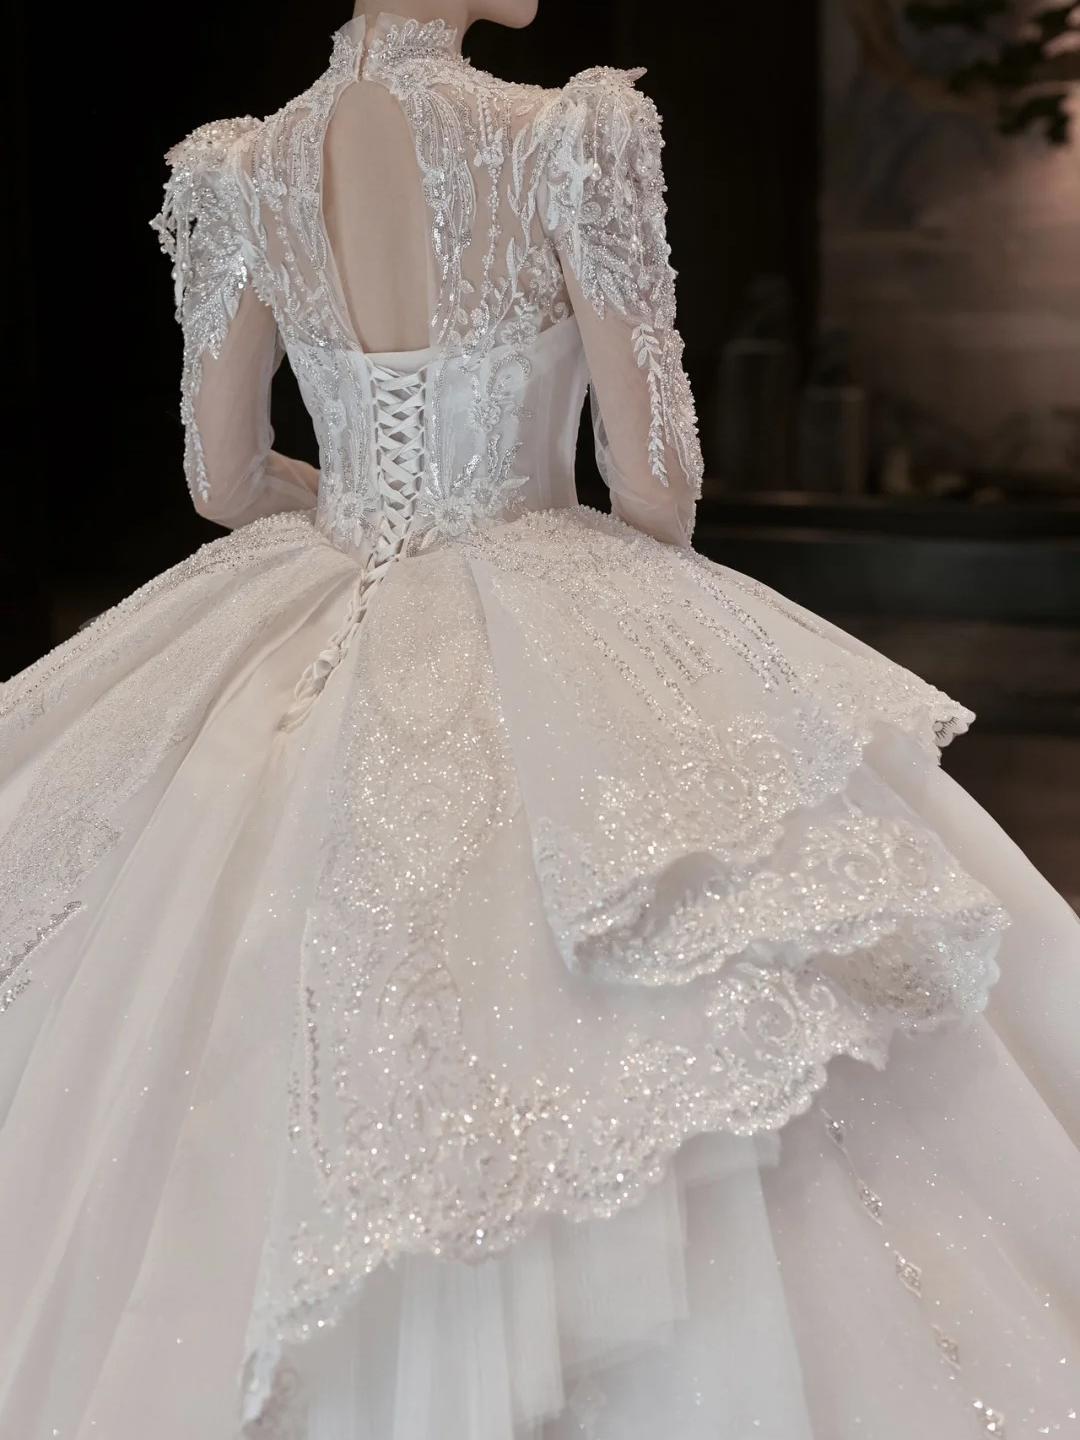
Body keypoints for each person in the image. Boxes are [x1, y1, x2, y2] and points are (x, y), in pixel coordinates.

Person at [1, 4, 1078, 1436]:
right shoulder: (571, 135)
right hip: (540, 581)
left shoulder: (238, 169)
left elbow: (220, 478)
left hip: (319, 594)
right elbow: (657, 489)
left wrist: (353, 507)